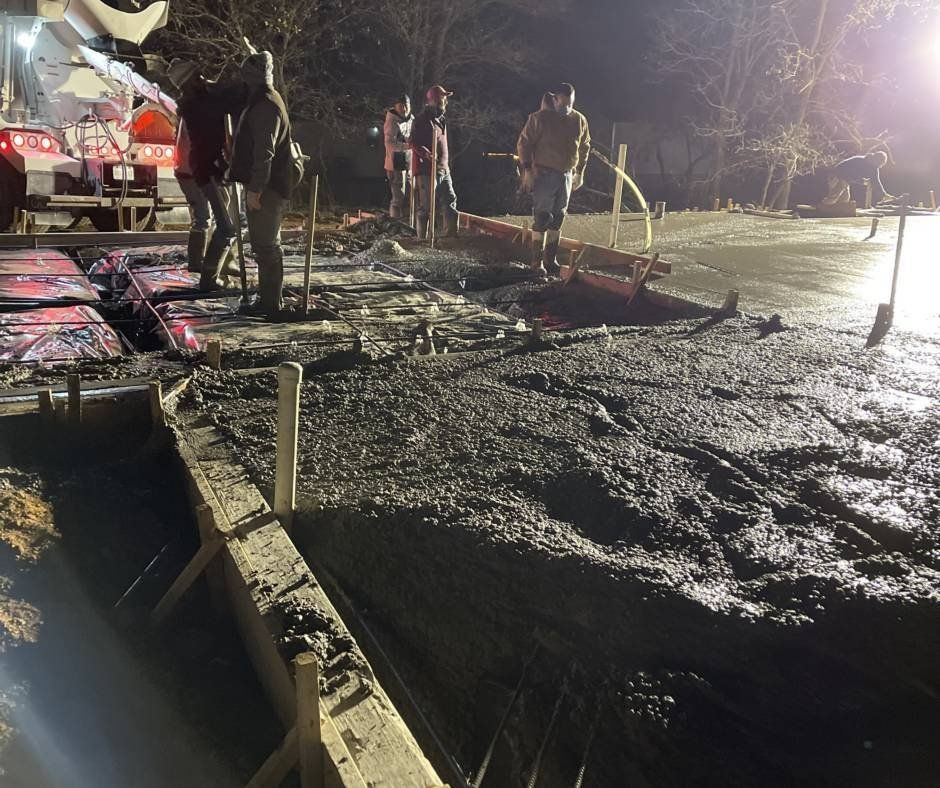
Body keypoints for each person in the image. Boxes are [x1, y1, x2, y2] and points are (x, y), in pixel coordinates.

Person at [168, 59, 246, 289]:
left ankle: (220, 265)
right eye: (197, 77)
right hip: (207, 169)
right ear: (188, 84)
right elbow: (228, 96)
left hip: (211, 167)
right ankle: (209, 277)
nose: (203, 78)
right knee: (224, 225)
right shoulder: (199, 105)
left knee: (224, 220)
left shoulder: (195, 102)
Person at [229, 51, 293, 317]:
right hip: (266, 185)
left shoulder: (266, 105)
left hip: (268, 188)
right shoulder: (263, 100)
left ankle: (270, 303)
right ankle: (268, 299)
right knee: (265, 244)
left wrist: (255, 189)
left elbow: (264, 153)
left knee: (266, 245)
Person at [516, 83, 591, 275]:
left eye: (570, 104)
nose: (566, 107)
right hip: (544, 173)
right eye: (563, 103)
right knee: (542, 216)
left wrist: (579, 171)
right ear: (555, 99)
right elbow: (524, 143)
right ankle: (536, 262)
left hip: (566, 174)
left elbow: (584, 146)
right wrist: (527, 170)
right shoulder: (539, 119)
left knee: (558, 217)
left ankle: (551, 259)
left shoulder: (579, 120)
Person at [410, 85, 458, 239]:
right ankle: (422, 239)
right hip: (426, 169)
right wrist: (425, 153)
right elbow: (413, 141)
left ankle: (451, 235)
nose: (445, 101)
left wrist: (445, 164)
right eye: (443, 98)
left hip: (443, 169)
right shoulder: (422, 120)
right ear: (435, 100)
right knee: (426, 206)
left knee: (450, 199)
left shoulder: (442, 119)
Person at [822, 151, 893, 206]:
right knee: (834, 196)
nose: (878, 166)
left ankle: (838, 213)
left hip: (846, 179)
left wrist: (884, 194)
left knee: (845, 199)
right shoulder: (859, 161)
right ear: (875, 159)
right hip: (837, 174)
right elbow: (850, 174)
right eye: (878, 163)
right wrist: (861, 181)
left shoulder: (874, 168)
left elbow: (876, 182)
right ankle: (823, 208)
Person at [384, 94, 413, 219]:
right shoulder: (392, 121)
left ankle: (406, 223)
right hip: (395, 162)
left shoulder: (411, 119)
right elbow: (389, 143)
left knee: (410, 195)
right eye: (401, 106)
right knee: (398, 197)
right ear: (396, 107)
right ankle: (394, 223)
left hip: (408, 161)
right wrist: (407, 146)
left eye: (406, 106)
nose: (404, 109)